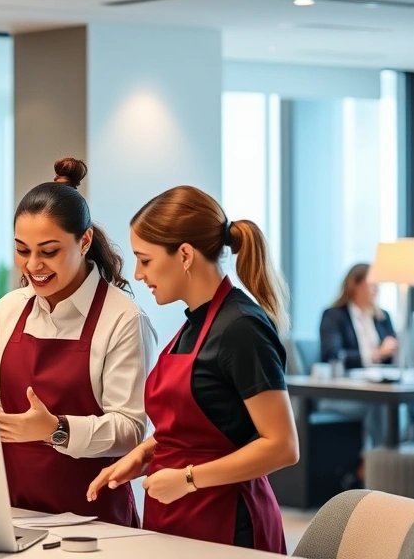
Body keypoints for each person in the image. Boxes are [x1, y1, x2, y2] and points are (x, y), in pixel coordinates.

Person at [89, 185, 298, 553]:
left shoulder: (242, 328)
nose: (138, 274)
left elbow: (282, 446)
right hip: (175, 516)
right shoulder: (191, 325)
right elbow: (202, 426)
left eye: (146, 259)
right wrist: (143, 454)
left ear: (184, 254)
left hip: (228, 523)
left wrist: (187, 479)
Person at [0, 158, 156, 527]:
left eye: (49, 251)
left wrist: (56, 429)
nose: (32, 265)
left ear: (84, 241)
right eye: (22, 250)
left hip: (95, 522)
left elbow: (131, 429)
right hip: (12, 512)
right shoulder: (8, 309)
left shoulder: (123, 319)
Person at [320, 263, 397, 370]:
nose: (376, 290)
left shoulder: (382, 317)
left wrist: (394, 348)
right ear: (355, 286)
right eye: (372, 285)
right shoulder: (334, 316)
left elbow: (395, 355)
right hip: (348, 380)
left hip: (382, 378)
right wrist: (375, 355)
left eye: (377, 286)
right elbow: (333, 354)